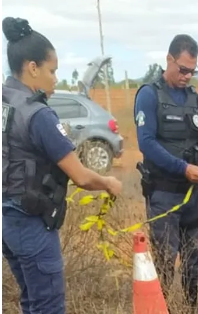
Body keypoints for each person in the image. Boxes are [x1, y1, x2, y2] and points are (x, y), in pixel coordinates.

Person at [1, 17, 123, 314]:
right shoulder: (38, 114)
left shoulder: (6, 101)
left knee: (31, 300)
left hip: (8, 220)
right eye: (51, 70)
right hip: (32, 221)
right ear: (32, 68)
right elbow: (80, 176)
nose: (55, 78)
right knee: (48, 306)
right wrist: (108, 183)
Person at [133, 34, 198, 312]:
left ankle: (191, 306)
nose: (187, 76)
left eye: (192, 71)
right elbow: (146, 143)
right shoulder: (149, 95)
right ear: (169, 59)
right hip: (164, 194)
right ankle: (161, 307)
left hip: (193, 195)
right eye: (183, 69)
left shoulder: (194, 97)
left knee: (193, 259)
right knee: (165, 260)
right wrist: (183, 169)